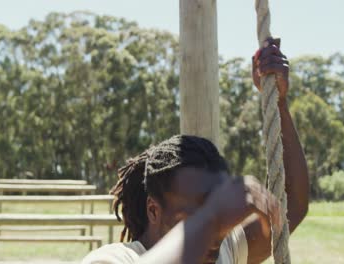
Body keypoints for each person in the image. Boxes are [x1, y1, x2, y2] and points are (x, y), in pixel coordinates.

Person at [82, 39, 309, 264]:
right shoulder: (116, 258)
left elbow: (292, 206)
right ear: (153, 210)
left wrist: (278, 102)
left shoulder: (223, 251)